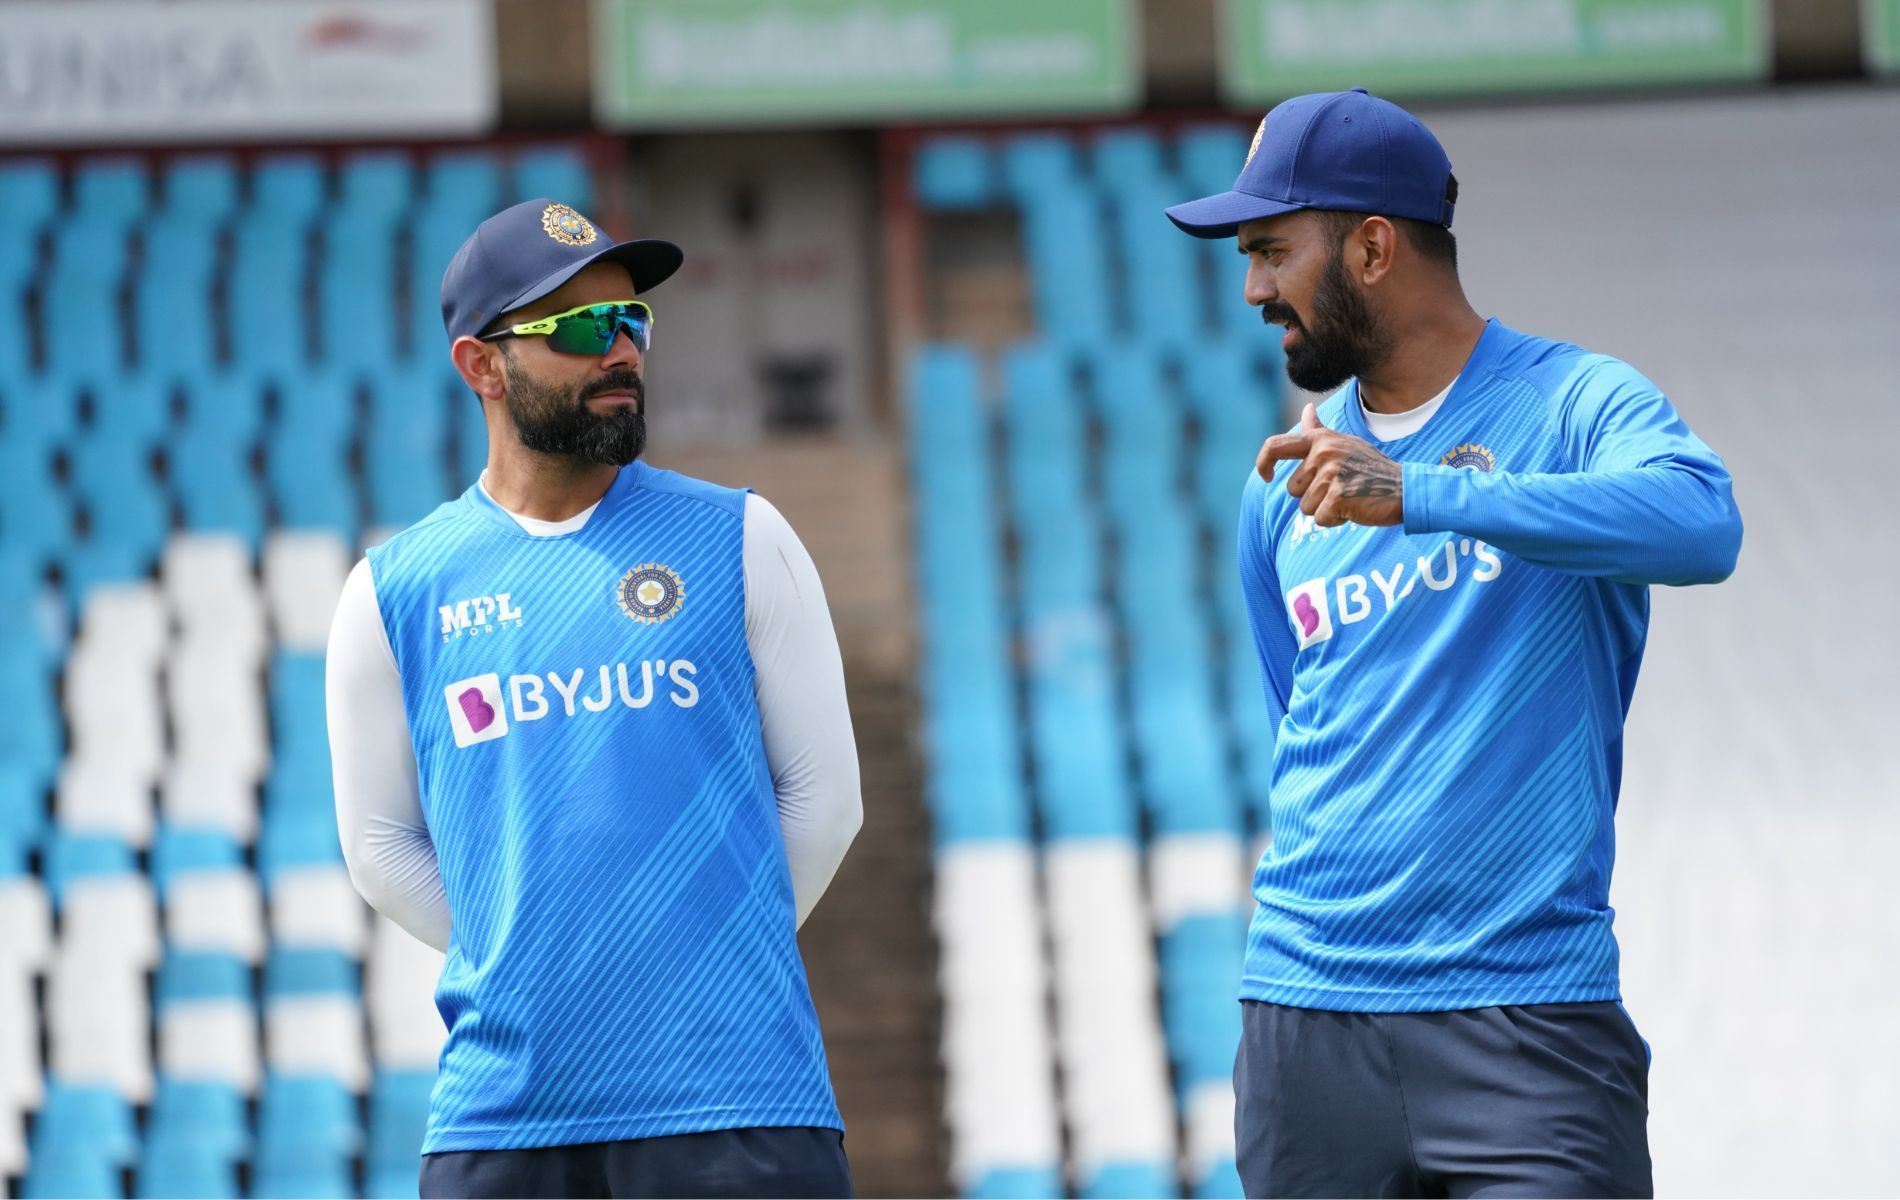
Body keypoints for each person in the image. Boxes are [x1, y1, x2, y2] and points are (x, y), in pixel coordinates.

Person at [1164, 88, 1742, 1198]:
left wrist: (1424, 495)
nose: (1252, 289)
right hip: (1303, 1018)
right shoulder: (1283, 485)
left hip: (1525, 1022)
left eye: (1272, 251)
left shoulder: (1575, 402)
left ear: (1372, 246)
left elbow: (1701, 526)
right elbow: (1309, 722)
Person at [325, 197, 863, 1199]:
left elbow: (827, 805)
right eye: (579, 329)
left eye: (632, 322)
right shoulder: (392, 593)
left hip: (737, 1100)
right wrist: (547, 957)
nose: (620, 350)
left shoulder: (743, 540)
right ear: (481, 366)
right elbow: (380, 846)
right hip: (505, 1114)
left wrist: (689, 952)